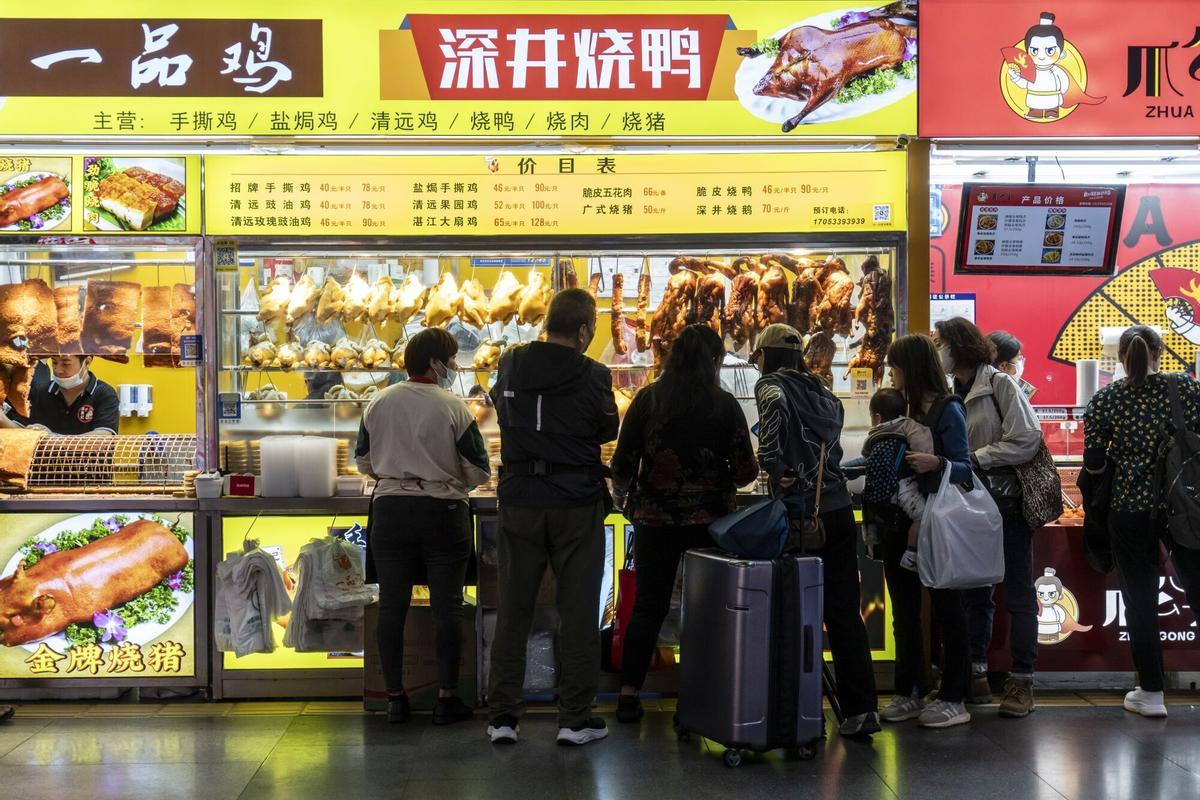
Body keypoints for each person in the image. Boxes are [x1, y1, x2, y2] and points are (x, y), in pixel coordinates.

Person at [487, 288, 619, 746]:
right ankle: (574, 719)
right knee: (578, 613)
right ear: (583, 330)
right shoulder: (594, 374)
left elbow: (497, 406)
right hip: (575, 503)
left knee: (514, 610)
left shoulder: (511, 362)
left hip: (520, 499)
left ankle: (504, 717)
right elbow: (608, 427)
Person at [610, 324, 759, 723]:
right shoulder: (724, 405)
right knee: (707, 608)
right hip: (710, 522)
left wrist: (623, 498)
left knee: (648, 607)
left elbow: (622, 462)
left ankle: (628, 694)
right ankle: (700, 694)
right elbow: (746, 470)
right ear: (713, 361)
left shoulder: (648, 400)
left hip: (654, 519)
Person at [355, 328, 490, 726]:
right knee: (446, 607)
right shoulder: (453, 407)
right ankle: (447, 698)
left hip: (391, 512)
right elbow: (480, 469)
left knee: (391, 606)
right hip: (443, 513)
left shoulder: (378, 403)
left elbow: (363, 462)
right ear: (435, 363)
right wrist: (446, 478)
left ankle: (395, 699)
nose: (454, 366)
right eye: (451, 359)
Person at [750, 323, 880, 737]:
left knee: (791, 612)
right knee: (843, 613)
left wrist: (775, 467)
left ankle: (798, 711)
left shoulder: (771, 387)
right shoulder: (824, 390)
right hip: (838, 509)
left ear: (767, 356)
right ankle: (861, 710)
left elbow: (770, 444)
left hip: (800, 515)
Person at [1083, 325, 1200, 718]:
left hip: (1129, 510)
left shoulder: (1106, 399)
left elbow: (1095, 463)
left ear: (1120, 358)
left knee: (1140, 600)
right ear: (1159, 352)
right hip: (1183, 507)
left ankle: (1151, 693)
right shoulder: (1185, 390)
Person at [936, 317, 1043, 717]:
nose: (938, 349)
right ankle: (975, 676)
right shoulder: (949, 391)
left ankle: (1022, 681)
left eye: (942, 342)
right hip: (969, 504)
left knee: (1018, 593)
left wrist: (975, 459)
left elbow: (1026, 439)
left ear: (959, 346)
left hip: (1007, 505)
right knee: (974, 592)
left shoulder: (999, 384)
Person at [883, 333, 975, 728]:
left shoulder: (947, 409)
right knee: (903, 612)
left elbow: (967, 468)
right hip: (899, 522)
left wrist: (936, 463)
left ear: (912, 368)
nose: (891, 374)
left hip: (938, 522)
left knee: (948, 608)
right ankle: (910, 691)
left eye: (896, 367)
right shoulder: (901, 409)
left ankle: (955, 695)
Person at [842, 387, 933, 572]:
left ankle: (894, 551)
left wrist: (843, 469)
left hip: (887, 498)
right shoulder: (908, 426)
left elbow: (866, 462)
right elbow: (925, 447)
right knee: (923, 517)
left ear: (876, 417)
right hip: (908, 486)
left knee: (918, 518)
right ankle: (912, 553)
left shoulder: (877, 436)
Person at [0, 356, 119, 435]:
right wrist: (2, 418)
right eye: (55, 362)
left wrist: (53, 439)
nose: (58, 370)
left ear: (87, 362)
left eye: (66, 364)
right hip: (44, 472)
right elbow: (19, 429)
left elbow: (103, 438)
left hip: (88, 472)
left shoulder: (104, 394)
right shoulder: (39, 392)